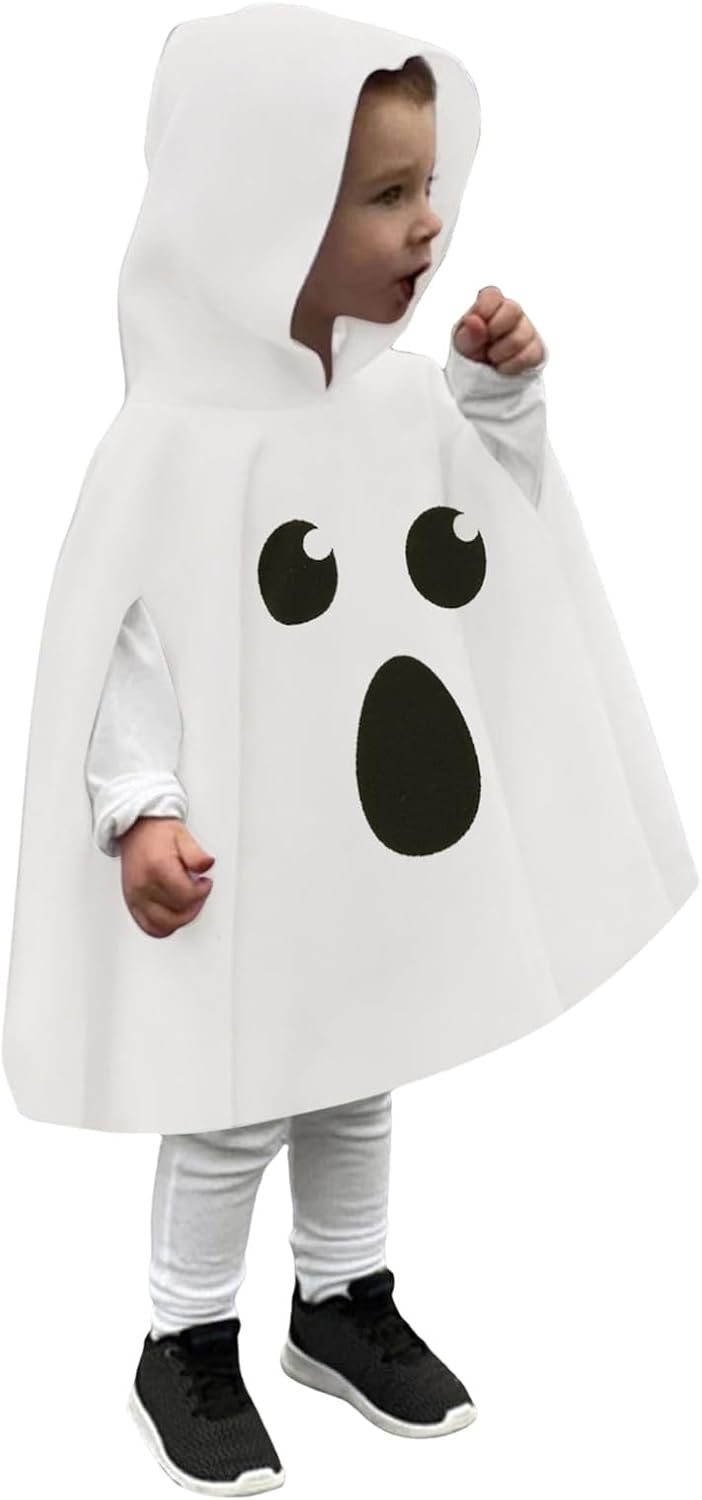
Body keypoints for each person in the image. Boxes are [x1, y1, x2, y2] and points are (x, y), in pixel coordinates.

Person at [3, 7, 697, 1497]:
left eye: (427, 184)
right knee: (235, 1098)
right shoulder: (176, 439)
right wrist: (139, 811)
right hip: (241, 842)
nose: (427, 222)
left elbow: (493, 540)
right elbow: (128, 645)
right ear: (260, 211)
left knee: (360, 1067)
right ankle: (185, 1339)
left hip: (369, 839)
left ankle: (341, 1298)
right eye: (384, 194)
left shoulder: (397, 401)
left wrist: (500, 398)